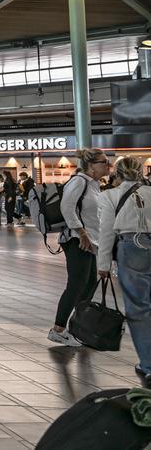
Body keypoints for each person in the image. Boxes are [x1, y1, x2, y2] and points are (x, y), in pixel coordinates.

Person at [97, 156, 151, 386]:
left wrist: (103, 264)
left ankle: (148, 364)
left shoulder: (108, 195)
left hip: (131, 247)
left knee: (139, 308)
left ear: (116, 173)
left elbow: (106, 232)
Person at [49, 148, 109, 346]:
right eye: (104, 162)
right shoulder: (78, 182)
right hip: (77, 240)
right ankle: (58, 329)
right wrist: (81, 232)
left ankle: (77, 327)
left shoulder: (94, 185)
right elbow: (67, 207)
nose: (108, 165)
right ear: (91, 166)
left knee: (89, 284)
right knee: (76, 284)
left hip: (90, 241)